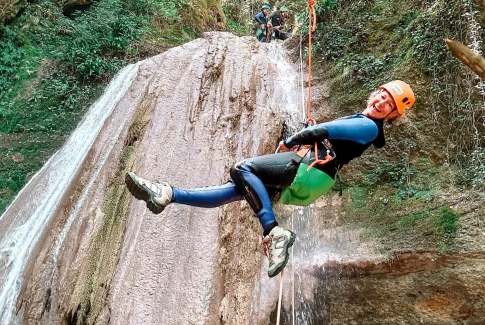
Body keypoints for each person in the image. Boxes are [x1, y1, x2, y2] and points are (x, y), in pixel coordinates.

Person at [125, 80, 415, 278]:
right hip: (313, 177)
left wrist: (291, 140)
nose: (381, 102)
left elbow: (320, 132)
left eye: (388, 103)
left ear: (392, 115)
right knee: (234, 189)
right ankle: (168, 193)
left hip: (310, 168)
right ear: (375, 92)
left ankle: (275, 231)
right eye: (381, 95)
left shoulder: (369, 126)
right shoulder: (363, 122)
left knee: (242, 169)